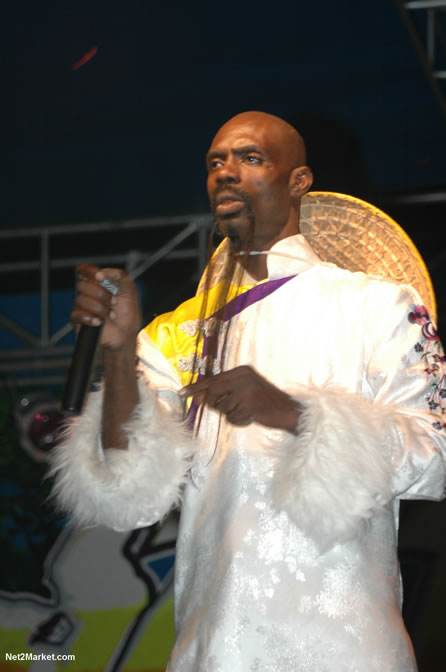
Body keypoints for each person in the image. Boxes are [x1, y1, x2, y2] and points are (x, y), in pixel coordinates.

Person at [51, 111, 446, 671]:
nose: (226, 171)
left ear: (299, 181)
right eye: (215, 162)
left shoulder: (377, 305)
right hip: (214, 648)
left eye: (250, 158)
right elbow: (124, 498)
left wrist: (293, 413)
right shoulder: (175, 333)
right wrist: (117, 355)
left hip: (346, 645)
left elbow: (438, 456)